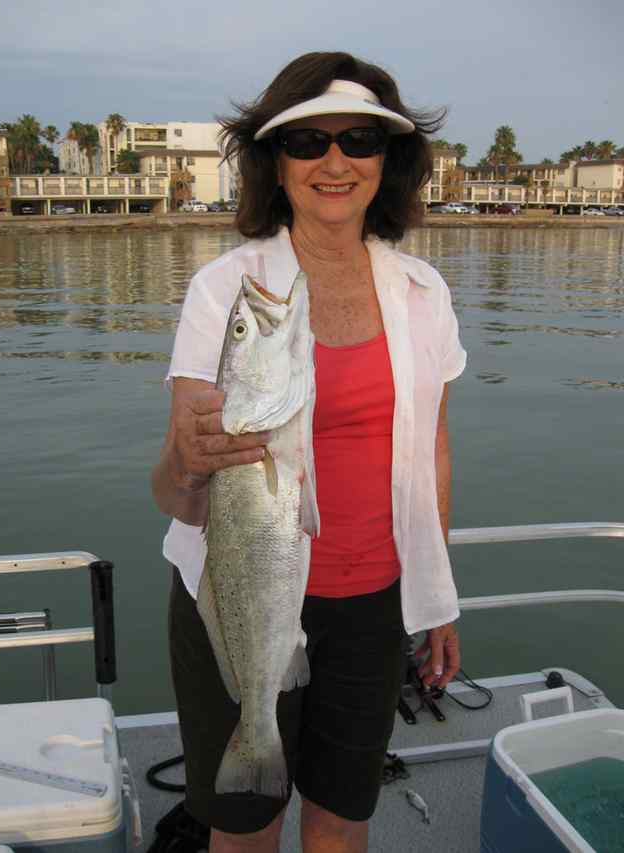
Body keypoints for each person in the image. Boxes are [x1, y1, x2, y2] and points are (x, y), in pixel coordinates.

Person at [152, 50, 466, 853]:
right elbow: (173, 494)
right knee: (247, 830)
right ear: (275, 163)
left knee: (340, 821)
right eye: (306, 142)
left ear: (388, 160)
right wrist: (190, 458)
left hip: (373, 602)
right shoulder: (227, 289)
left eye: (360, 139)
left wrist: (437, 597)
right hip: (239, 595)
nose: (335, 161)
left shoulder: (426, 294)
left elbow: (431, 450)